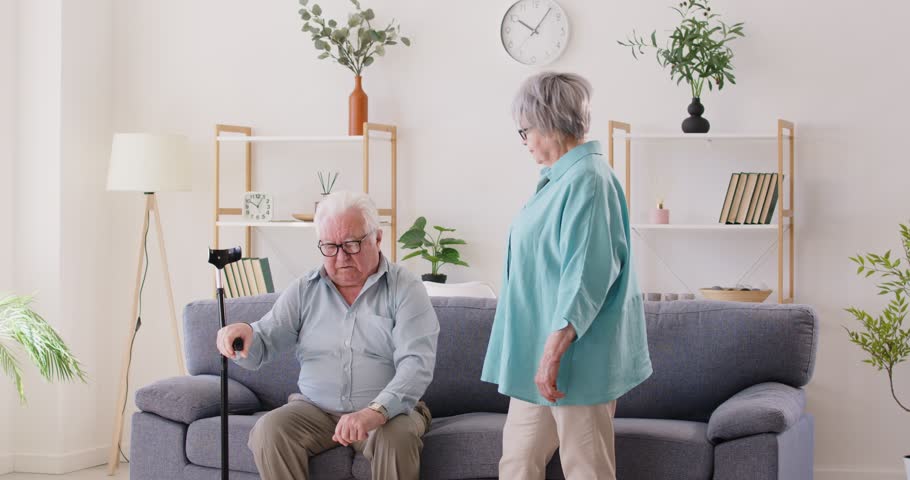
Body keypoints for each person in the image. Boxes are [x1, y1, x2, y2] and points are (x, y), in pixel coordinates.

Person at [481, 72, 653, 479]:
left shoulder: (589, 181)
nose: (524, 141)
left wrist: (553, 352)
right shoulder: (557, 180)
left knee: (586, 469)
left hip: (572, 359)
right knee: (517, 463)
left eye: (525, 130)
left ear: (548, 122)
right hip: (538, 357)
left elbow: (586, 276)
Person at [216, 190, 439, 480]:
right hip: (315, 411)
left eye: (352, 244)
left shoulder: (405, 289)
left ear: (378, 238)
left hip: (388, 413)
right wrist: (244, 333)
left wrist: (375, 412)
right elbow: (265, 339)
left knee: (395, 438)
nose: (341, 256)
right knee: (269, 430)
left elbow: (416, 366)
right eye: (331, 246)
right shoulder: (304, 289)